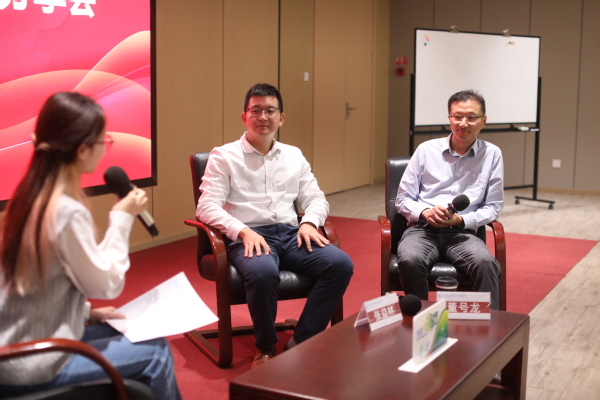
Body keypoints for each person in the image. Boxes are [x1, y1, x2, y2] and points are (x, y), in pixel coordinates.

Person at [0, 92, 182, 400]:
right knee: (157, 352)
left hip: (15, 348)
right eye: (104, 140)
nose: (106, 146)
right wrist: (121, 217)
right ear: (82, 149)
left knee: (128, 333)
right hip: (31, 362)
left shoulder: (29, 197)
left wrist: (86, 312)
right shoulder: (66, 212)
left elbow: (32, 286)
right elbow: (108, 284)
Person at [197, 83, 354, 368]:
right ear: (244, 117)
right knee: (263, 272)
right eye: (255, 110)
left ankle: (303, 340)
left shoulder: (293, 155)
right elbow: (206, 207)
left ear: (281, 118)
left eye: (270, 111)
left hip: (292, 233)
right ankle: (266, 346)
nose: (263, 117)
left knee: (340, 264)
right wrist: (242, 231)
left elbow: (316, 198)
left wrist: (309, 223)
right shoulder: (224, 156)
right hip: (248, 236)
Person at [395, 89, 504, 309]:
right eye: (457, 116)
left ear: (483, 121)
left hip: (463, 233)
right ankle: (422, 320)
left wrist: (461, 220)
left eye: (471, 117)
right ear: (449, 118)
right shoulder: (426, 150)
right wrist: (425, 212)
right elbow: (403, 199)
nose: (463, 123)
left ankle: (489, 325)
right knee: (410, 260)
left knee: (485, 263)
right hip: (422, 230)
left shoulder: (492, 154)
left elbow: (494, 206)